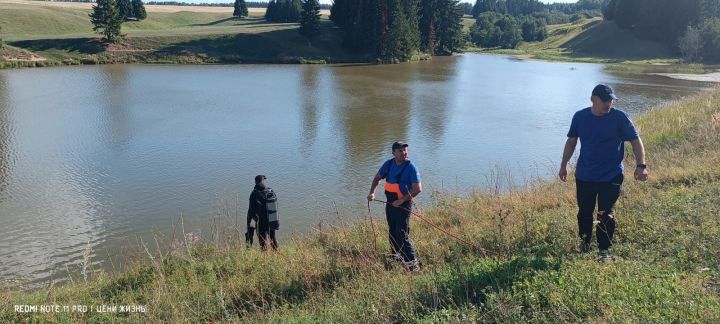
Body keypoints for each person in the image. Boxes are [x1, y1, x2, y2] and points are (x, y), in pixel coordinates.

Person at [559, 84, 649, 262]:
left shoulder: (620, 117)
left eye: (611, 100)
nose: (609, 103)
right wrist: (564, 165)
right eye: (605, 100)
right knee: (584, 212)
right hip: (585, 175)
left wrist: (641, 165)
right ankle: (585, 243)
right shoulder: (580, 117)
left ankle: (604, 251)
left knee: (605, 213)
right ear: (593, 99)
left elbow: (635, 140)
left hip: (611, 176)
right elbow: (571, 141)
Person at [367, 141, 423, 271]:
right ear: (393, 153)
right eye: (400, 151)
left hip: (404, 205)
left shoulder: (411, 167)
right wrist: (372, 193)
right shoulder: (389, 164)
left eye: (405, 150)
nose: (404, 153)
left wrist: (402, 200)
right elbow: (377, 178)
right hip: (390, 203)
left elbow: (417, 188)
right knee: (392, 230)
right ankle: (396, 256)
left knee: (401, 233)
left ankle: (413, 265)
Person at [246, 175, 279, 251]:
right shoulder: (270, 191)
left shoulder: (254, 193)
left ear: (255, 182)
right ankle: (277, 255)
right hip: (271, 219)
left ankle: (265, 258)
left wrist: (248, 223)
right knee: (273, 238)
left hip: (261, 221)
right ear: (263, 181)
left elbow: (250, 210)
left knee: (262, 242)